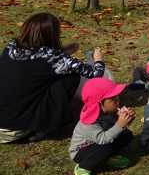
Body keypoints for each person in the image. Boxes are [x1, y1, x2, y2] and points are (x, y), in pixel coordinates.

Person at [0, 13, 105, 143]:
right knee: (70, 78)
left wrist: (62, 52)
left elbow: (36, 58)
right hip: (15, 130)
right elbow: (95, 74)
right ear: (52, 35)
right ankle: (44, 127)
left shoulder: (11, 48)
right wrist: (98, 59)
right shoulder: (55, 58)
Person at [69, 78, 135, 175]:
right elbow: (103, 139)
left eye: (117, 97)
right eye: (113, 99)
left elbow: (113, 130)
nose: (118, 100)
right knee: (106, 146)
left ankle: (107, 158)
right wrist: (120, 124)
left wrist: (126, 121)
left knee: (127, 135)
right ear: (100, 103)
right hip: (81, 151)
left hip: (99, 144)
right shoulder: (88, 122)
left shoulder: (107, 112)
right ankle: (82, 168)